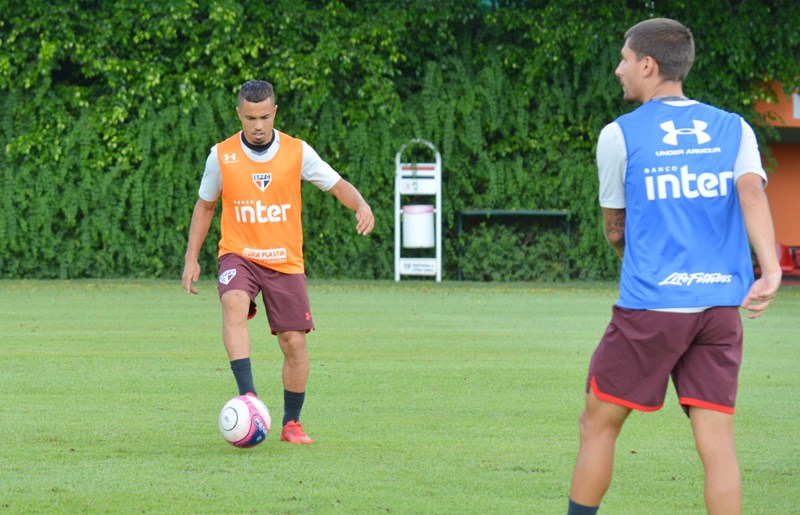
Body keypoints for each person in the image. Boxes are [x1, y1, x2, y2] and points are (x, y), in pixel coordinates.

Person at [566, 18, 782, 515]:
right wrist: (768, 269)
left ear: (648, 64)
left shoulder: (619, 136)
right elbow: (751, 192)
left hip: (652, 308)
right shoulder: (735, 128)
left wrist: (641, 263)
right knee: (717, 439)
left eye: (624, 59)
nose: (618, 68)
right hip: (720, 309)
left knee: (598, 423)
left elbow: (615, 230)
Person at [182, 80, 374, 444]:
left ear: (275, 113)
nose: (258, 125)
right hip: (238, 253)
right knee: (233, 302)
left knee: (294, 343)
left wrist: (361, 204)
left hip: (285, 261)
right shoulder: (221, 155)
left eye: (265, 117)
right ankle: (249, 397)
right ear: (239, 114)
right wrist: (192, 259)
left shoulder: (297, 152)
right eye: (250, 117)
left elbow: (337, 185)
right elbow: (205, 206)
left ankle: (291, 423)